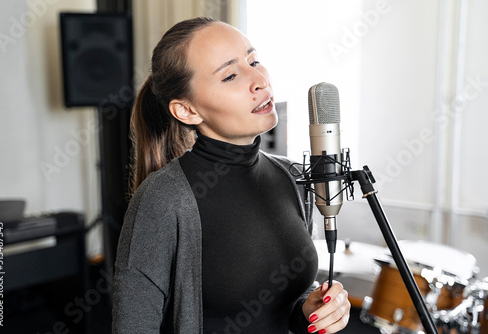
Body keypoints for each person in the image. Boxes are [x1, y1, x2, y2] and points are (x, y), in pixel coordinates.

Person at [112, 17, 351, 334]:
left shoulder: (292, 177)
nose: (259, 80)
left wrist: (310, 310)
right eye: (230, 75)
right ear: (187, 111)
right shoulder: (162, 199)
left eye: (254, 61)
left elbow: (284, 307)